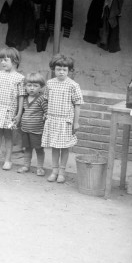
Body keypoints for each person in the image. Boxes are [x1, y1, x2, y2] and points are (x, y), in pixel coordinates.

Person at [42, 54, 83, 184]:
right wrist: (46, 114)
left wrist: (76, 122)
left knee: (64, 147)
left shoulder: (73, 85)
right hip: (53, 120)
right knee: (54, 146)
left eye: (64, 70)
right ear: (53, 69)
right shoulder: (49, 83)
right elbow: (46, 101)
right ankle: (54, 171)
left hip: (66, 121)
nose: (61, 72)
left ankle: (62, 172)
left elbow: (77, 105)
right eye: (58, 69)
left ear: (69, 71)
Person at [0, 47, 25, 170]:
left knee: (8, 136)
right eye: (1, 60)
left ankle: (8, 160)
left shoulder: (20, 78)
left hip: (10, 111)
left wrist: (18, 113)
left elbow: (21, 97)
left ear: (15, 61)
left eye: (5, 60)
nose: (2, 62)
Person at [18, 72, 47, 176]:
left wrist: (45, 119)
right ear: (25, 86)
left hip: (37, 130)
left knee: (39, 149)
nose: (32, 88)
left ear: (41, 87)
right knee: (27, 148)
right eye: (29, 85)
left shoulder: (41, 99)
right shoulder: (24, 99)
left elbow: (47, 112)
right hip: (25, 129)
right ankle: (26, 165)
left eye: (35, 86)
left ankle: (40, 168)